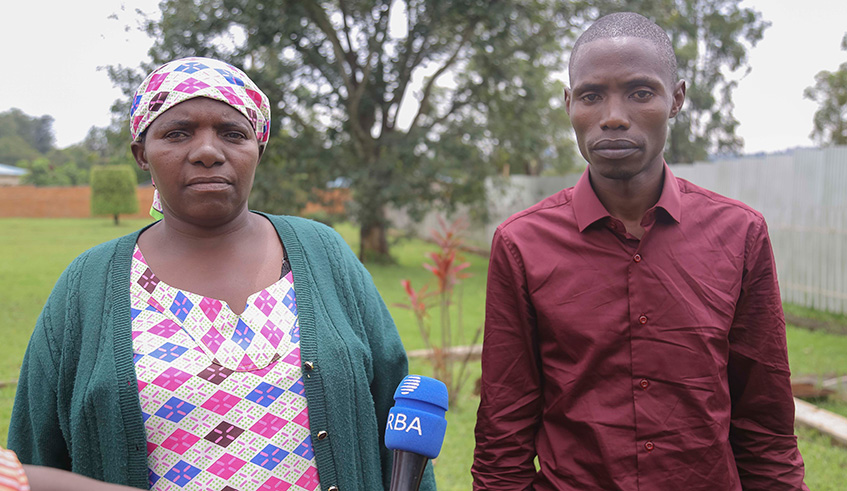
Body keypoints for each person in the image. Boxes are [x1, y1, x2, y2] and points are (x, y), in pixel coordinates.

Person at [9, 56, 435, 491]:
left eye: (233, 134)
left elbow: (399, 418)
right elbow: (33, 456)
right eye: (178, 133)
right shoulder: (88, 285)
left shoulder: (324, 253)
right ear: (142, 154)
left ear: (258, 149)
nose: (208, 152)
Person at [472, 12, 807, 490]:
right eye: (591, 95)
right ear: (569, 104)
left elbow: (766, 425)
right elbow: (503, 430)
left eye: (640, 92)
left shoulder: (739, 233)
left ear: (676, 99)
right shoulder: (522, 244)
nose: (612, 115)